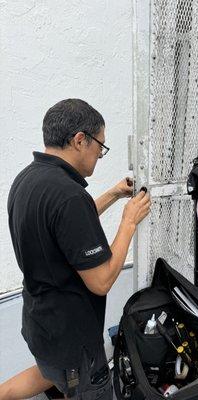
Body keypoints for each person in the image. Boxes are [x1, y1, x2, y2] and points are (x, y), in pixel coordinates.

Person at [0, 98, 151, 399]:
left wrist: (114, 193)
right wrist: (129, 223)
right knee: (82, 385)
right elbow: (102, 281)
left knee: (48, 371)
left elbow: (67, 230)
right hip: (72, 338)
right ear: (80, 140)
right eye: (100, 146)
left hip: (39, 322)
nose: (100, 155)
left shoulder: (27, 179)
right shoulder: (69, 197)